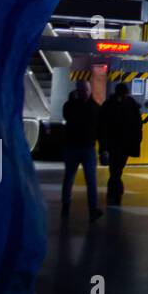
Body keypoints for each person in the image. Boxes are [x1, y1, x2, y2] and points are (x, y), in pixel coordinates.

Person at [61, 80, 103, 222]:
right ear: (78, 91)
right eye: (82, 90)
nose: (84, 92)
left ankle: (69, 206)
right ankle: (91, 209)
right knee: (86, 180)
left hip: (78, 147)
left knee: (71, 178)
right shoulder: (93, 107)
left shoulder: (73, 106)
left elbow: (66, 114)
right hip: (82, 148)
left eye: (85, 90)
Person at [99, 82, 143, 207]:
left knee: (115, 169)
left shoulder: (108, 106)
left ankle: (114, 191)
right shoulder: (132, 106)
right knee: (117, 169)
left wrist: (103, 146)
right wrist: (137, 141)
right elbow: (137, 127)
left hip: (113, 144)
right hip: (125, 144)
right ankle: (117, 191)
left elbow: (102, 127)